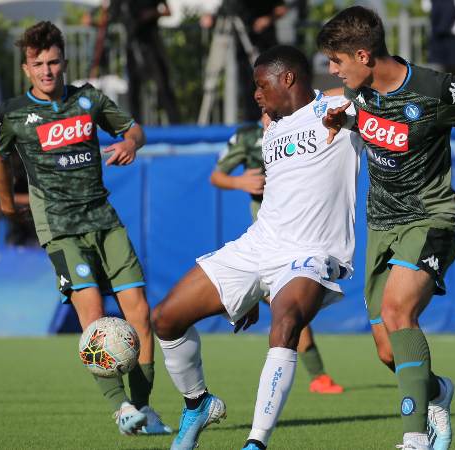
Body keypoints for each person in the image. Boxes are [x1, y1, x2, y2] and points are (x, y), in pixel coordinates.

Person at [317, 6, 455, 450]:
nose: (332, 70)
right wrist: (325, 115)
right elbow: (335, 101)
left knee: (398, 313)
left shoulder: (436, 89)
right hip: (381, 225)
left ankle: (413, 438)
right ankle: (438, 391)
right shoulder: (356, 91)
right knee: (389, 350)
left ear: (364, 55)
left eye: (337, 61)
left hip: (433, 217)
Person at [151, 45, 363, 450]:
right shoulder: (271, 128)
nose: (256, 94)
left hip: (312, 253)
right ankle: (197, 403)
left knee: (284, 327)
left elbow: (375, 89)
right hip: (259, 246)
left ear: (288, 79)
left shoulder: (340, 112)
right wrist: (254, 285)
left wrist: (345, 107)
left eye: (260, 84)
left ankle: (255, 442)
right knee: (166, 319)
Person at [0, 21, 172, 435]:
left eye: (53, 62)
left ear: (64, 63)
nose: (47, 71)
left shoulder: (89, 100)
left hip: (104, 220)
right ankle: (120, 406)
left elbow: (135, 129)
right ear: (26, 69)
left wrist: (130, 143)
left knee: (141, 314)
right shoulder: (12, 113)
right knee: (93, 318)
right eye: (38, 64)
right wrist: (5, 204)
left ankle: (144, 410)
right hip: (60, 228)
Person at [209, 113, 346, 395]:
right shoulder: (247, 137)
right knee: (287, 308)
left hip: (301, 235)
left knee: (289, 309)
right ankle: (317, 376)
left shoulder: (305, 127)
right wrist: (240, 182)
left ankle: (315, 376)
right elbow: (217, 175)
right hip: (267, 239)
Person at [108, 0, 180, 124]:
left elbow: (168, 12)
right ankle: (136, 124)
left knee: (162, 84)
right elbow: (112, 15)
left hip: (152, 43)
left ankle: (175, 123)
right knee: (134, 88)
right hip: (132, 44)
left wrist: (152, 13)